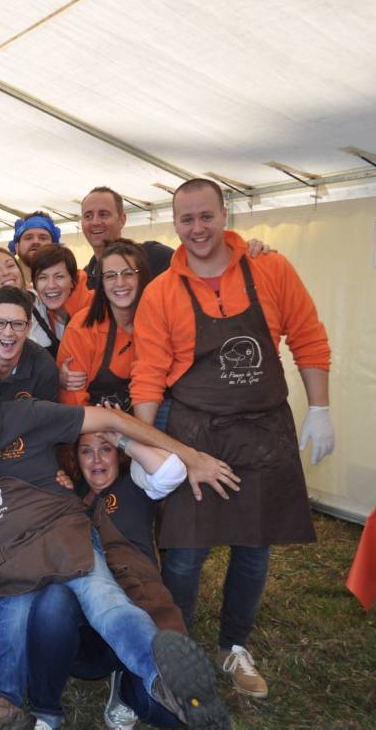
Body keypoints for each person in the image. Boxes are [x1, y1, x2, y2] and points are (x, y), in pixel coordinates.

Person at [0, 365, 237, 730]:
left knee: (107, 603)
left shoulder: (27, 416)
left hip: (60, 537)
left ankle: (172, 686)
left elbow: (112, 420)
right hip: (5, 565)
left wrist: (190, 456)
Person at [132, 177, 335, 699]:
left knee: (254, 545)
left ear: (226, 215)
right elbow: (150, 371)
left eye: (206, 216)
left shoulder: (271, 268)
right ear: (174, 224)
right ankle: (180, 649)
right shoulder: (161, 292)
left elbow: (308, 335)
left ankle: (234, 647)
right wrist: (147, 440)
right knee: (184, 551)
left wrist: (320, 408)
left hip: (265, 430)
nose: (197, 228)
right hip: (196, 431)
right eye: (186, 219)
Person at [28, 431, 196, 730]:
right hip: (88, 621)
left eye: (105, 450)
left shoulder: (136, 482)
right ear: (75, 458)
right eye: (87, 451)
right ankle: (46, 710)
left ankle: (128, 689)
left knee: (174, 715)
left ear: (118, 455)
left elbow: (173, 471)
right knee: (52, 600)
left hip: (141, 603)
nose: (96, 459)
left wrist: (123, 439)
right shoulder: (69, 490)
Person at [56, 240, 152, 411]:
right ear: (102, 283)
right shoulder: (82, 328)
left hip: (148, 414)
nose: (120, 283)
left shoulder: (157, 321)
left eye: (128, 274)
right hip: (94, 424)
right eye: (110, 276)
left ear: (142, 276)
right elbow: (73, 403)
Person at [79, 187, 174, 291]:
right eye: (88, 216)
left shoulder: (154, 256)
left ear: (122, 220)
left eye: (103, 214)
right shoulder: (84, 281)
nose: (95, 222)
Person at [11, 214, 92, 323]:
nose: (36, 241)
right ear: (16, 247)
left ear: (55, 245)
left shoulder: (78, 283)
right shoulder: (6, 285)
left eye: (43, 237)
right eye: (28, 237)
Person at [28, 243, 81, 359]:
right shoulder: (36, 315)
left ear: (73, 281)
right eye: (43, 278)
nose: (51, 285)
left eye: (59, 277)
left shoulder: (90, 314)